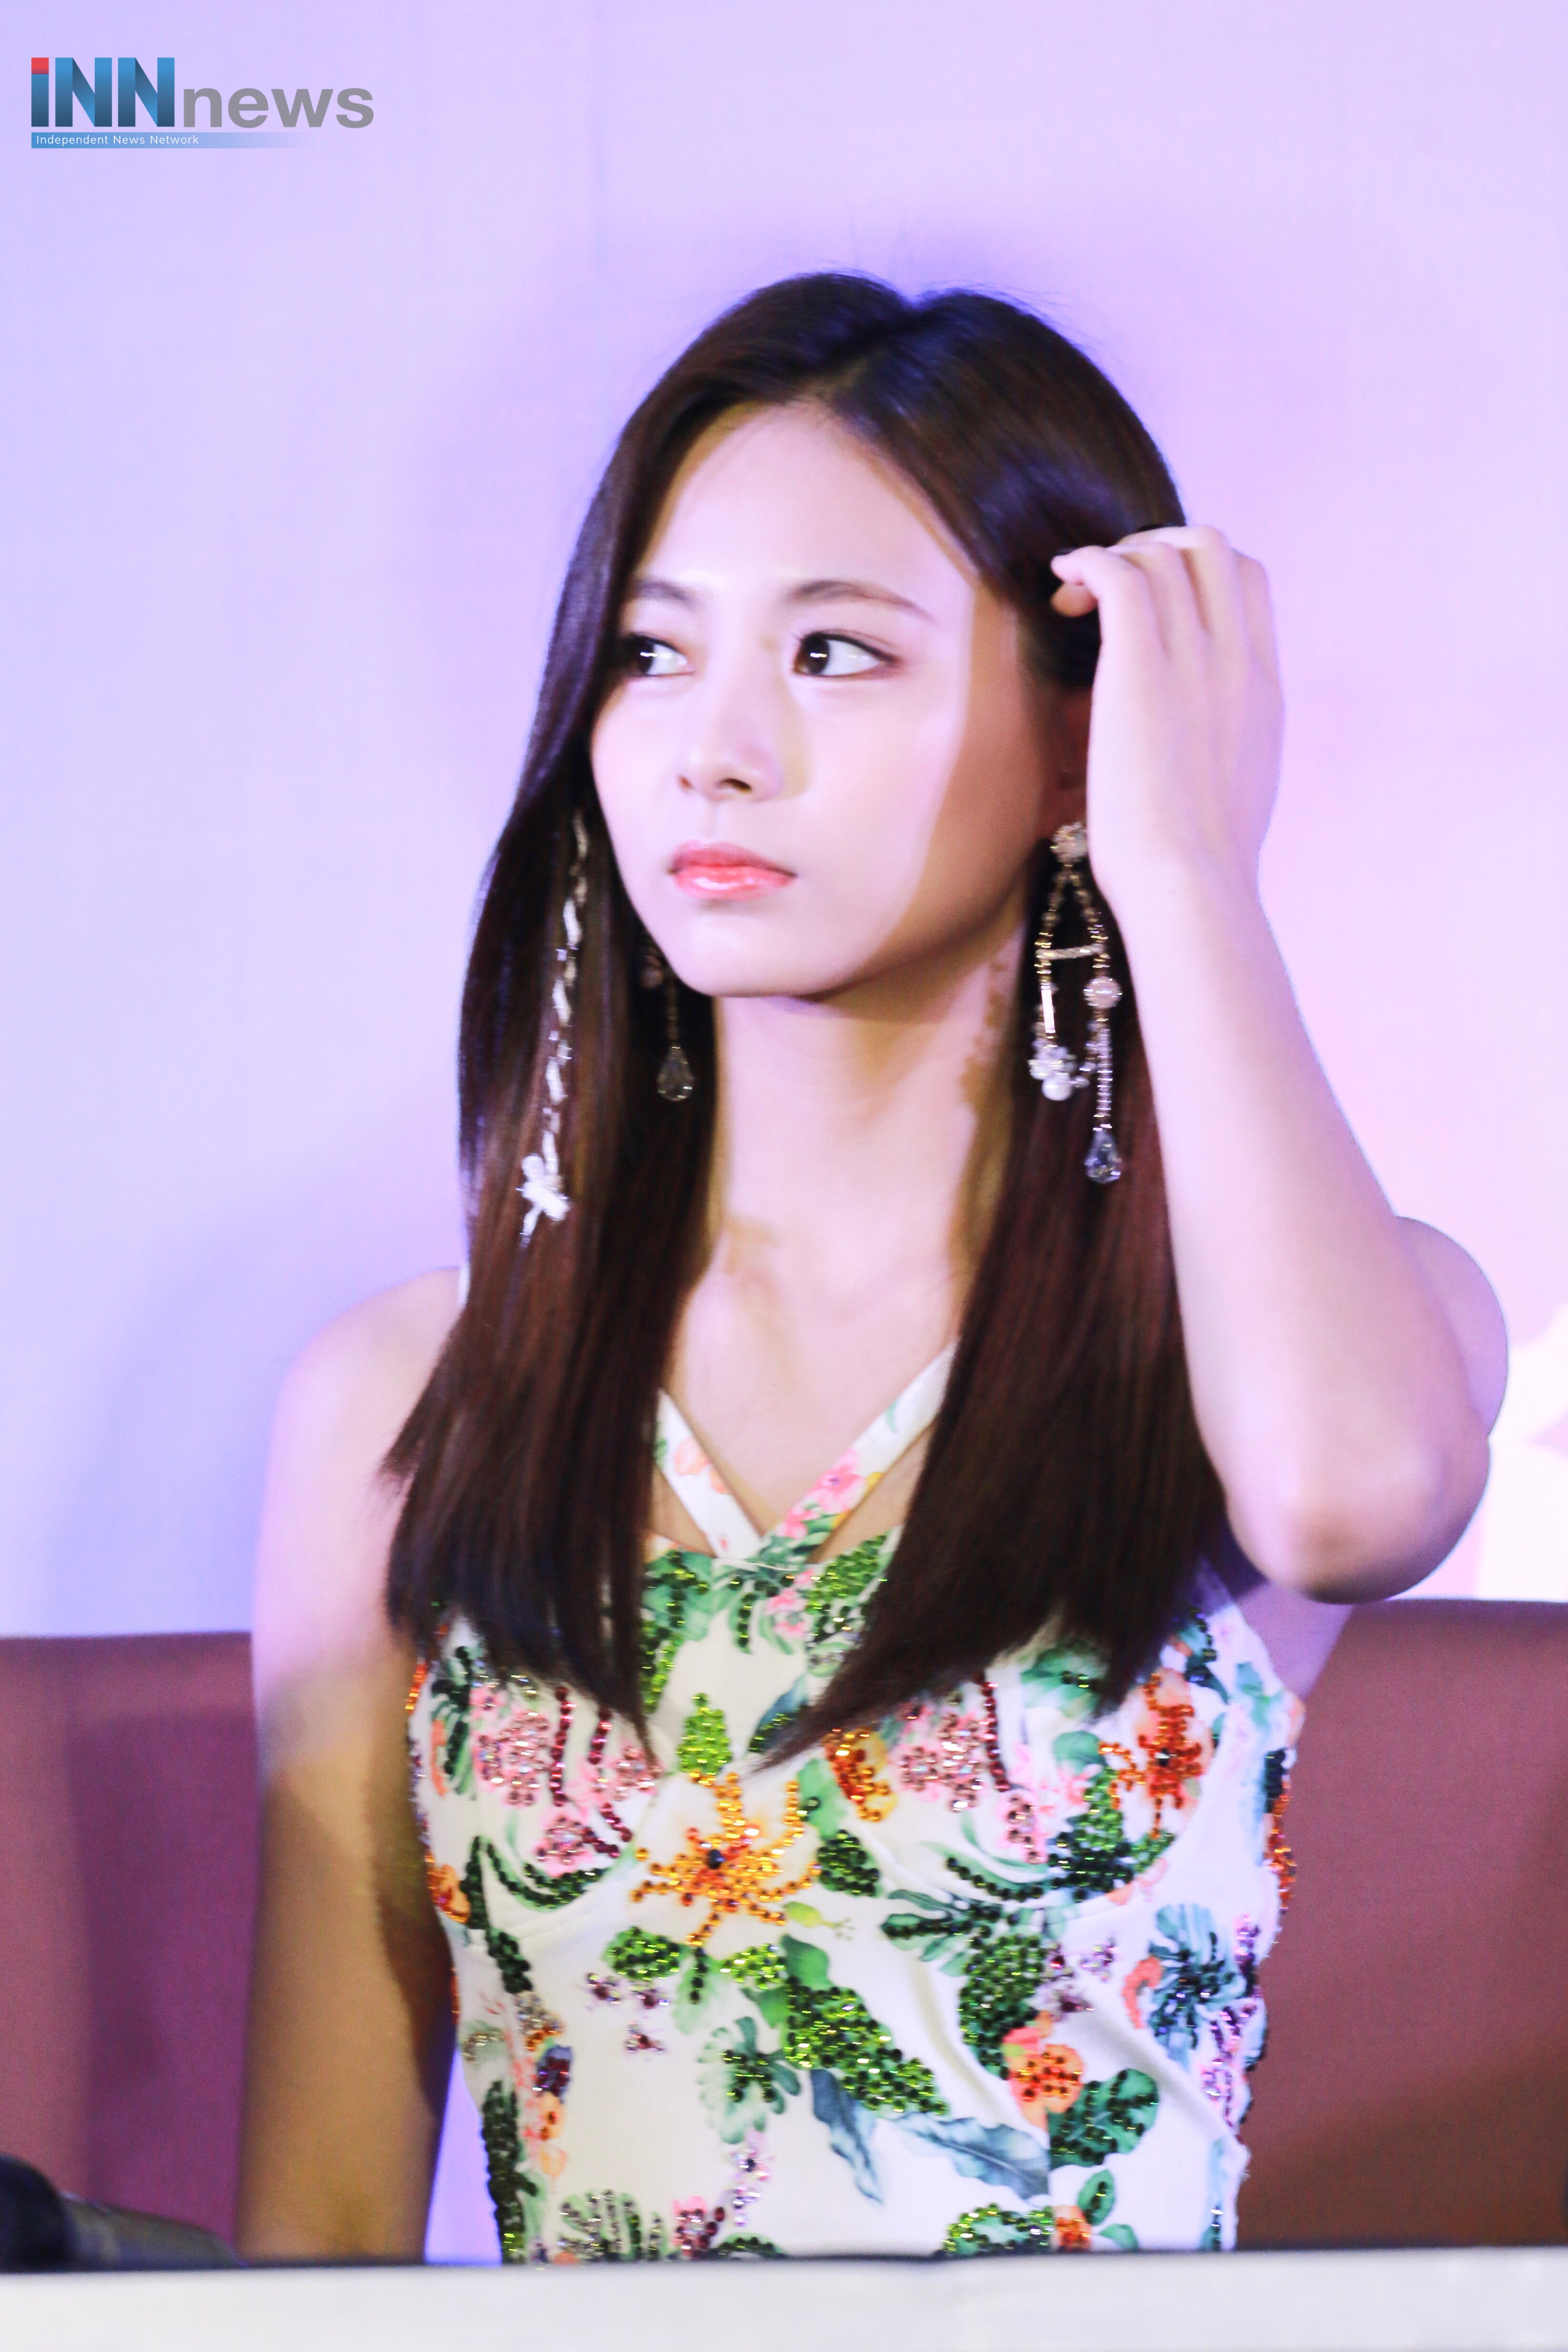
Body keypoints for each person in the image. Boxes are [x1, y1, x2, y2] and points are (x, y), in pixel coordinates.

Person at [236, 276, 1506, 2264]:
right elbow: (314, 2223)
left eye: (833, 651)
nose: (713, 750)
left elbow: (1355, 1503)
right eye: (652, 653)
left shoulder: (1261, 1339)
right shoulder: (410, 1396)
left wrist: (1184, 867)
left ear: (1084, 730)